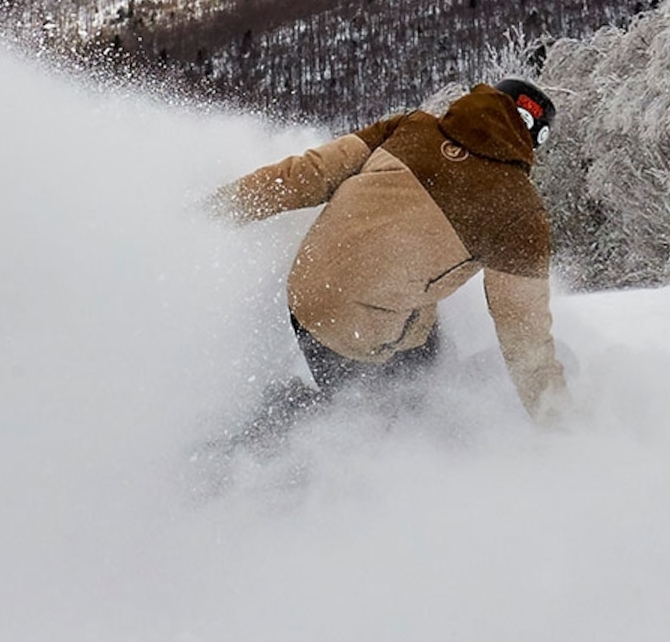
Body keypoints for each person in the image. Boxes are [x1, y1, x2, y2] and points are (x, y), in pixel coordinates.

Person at [209, 77, 569, 430]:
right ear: (534, 139)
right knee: (387, 419)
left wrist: (213, 210)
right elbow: (523, 331)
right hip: (358, 327)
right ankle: (275, 433)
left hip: (304, 292)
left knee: (427, 346)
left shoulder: (409, 127)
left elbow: (305, 174)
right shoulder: (520, 210)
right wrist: (558, 421)